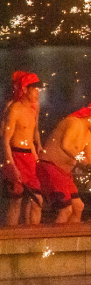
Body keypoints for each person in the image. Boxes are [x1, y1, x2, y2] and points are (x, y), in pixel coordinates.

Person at [2, 72, 44, 226]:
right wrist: (12, 166)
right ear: (25, 89)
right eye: (35, 89)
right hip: (16, 156)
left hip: (29, 157)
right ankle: (11, 240)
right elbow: (5, 140)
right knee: (16, 202)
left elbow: (32, 136)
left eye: (39, 90)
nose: (38, 93)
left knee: (37, 200)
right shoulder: (14, 109)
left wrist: (37, 157)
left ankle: (33, 236)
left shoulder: (33, 109)